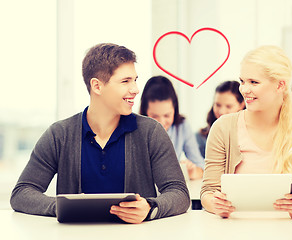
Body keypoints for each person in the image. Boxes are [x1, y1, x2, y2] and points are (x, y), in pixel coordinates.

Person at [10, 43, 190, 223]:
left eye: (135, 80)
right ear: (97, 86)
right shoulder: (59, 135)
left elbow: (179, 194)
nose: (135, 89)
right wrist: (63, 207)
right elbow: (22, 193)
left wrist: (150, 208)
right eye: (125, 81)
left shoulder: (151, 132)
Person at [200, 45, 292, 219]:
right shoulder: (223, 127)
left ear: (280, 85)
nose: (244, 89)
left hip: (287, 229)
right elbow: (208, 192)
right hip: (235, 228)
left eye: (253, 82)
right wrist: (215, 204)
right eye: (242, 81)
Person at [139, 76, 204, 180]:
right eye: (154, 116)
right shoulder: (135, 128)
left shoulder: (182, 126)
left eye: (167, 115)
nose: (160, 123)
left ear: (175, 110)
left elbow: (201, 166)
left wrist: (193, 171)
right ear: (145, 112)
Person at [196, 81, 245, 158]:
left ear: (242, 104)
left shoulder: (250, 135)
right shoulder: (200, 137)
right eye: (218, 105)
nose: (221, 111)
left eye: (229, 106)